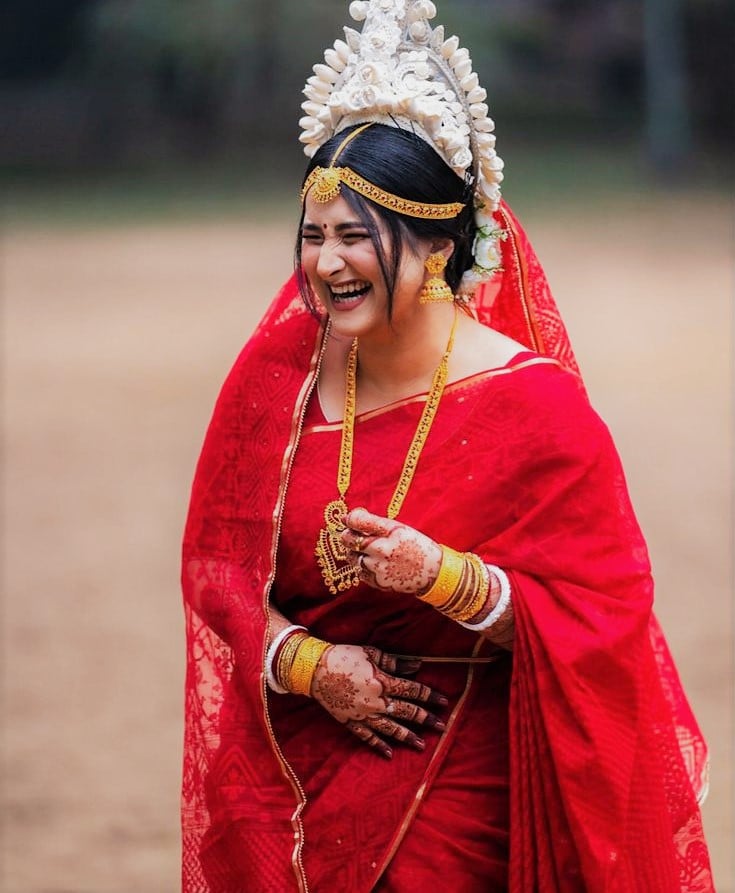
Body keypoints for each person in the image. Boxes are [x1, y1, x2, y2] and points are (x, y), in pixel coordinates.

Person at [181, 2, 713, 890]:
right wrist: (310, 664)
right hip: (295, 768)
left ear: (435, 244)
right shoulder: (276, 377)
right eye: (314, 236)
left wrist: (442, 575)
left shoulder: (535, 406)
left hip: (464, 771)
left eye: (355, 236)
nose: (324, 264)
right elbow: (216, 570)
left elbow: (602, 623)